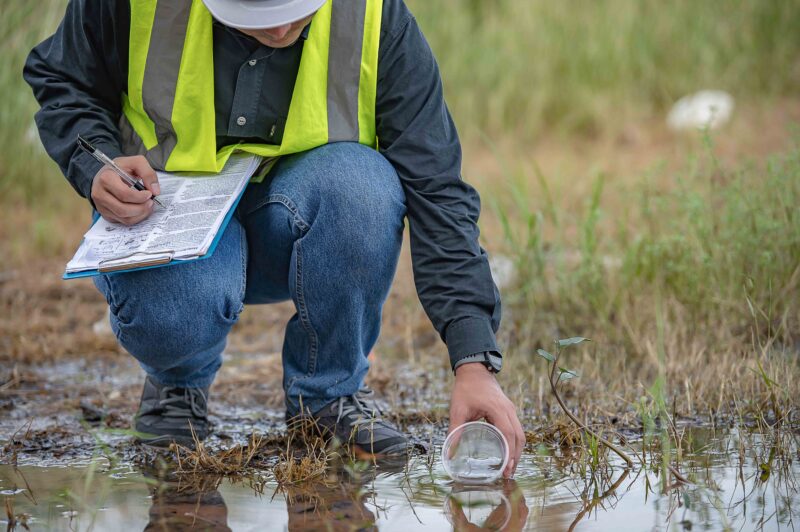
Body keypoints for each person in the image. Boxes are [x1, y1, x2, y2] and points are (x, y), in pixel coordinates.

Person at [24, 0, 525, 477]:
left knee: (361, 185)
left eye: (294, 11)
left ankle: (327, 397)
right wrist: (95, 160)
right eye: (255, 14)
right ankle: (175, 387)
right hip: (166, 228)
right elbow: (62, 77)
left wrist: (473, 361)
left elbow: (436, 186)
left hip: (295, 225)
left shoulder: (375, 15)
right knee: (174, 307)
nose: (282, 30)